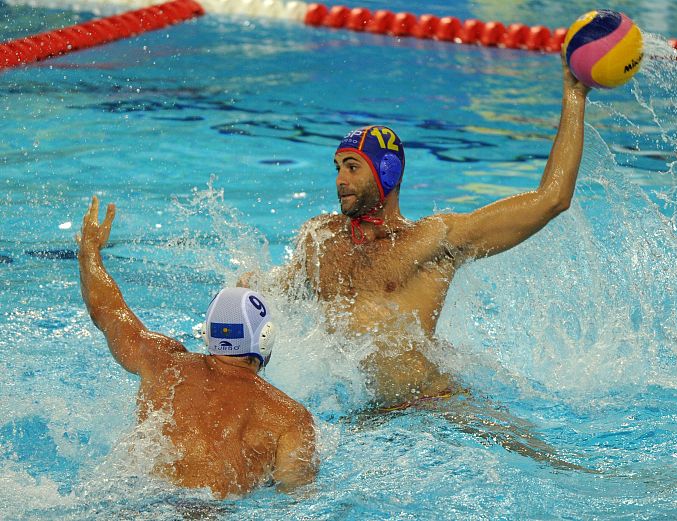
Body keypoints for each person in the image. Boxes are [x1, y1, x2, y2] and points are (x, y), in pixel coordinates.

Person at [243, 58, 589, 410]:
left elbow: (552, 199)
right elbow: (283, 292)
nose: (340, 180)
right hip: (361, 410)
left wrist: (574, 96)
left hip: (430, 404)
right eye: (337, 168)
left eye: (352, 167)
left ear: (387, 172)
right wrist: (251, 288)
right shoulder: (321, 238)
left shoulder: (431, 242)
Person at [77, 196, 318, 498]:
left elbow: (109, 314)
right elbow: (297, 499)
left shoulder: (163, 363)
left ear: (207, 335)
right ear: (266, 337)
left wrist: (89, 253)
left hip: (134, 502)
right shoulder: (289, 418)